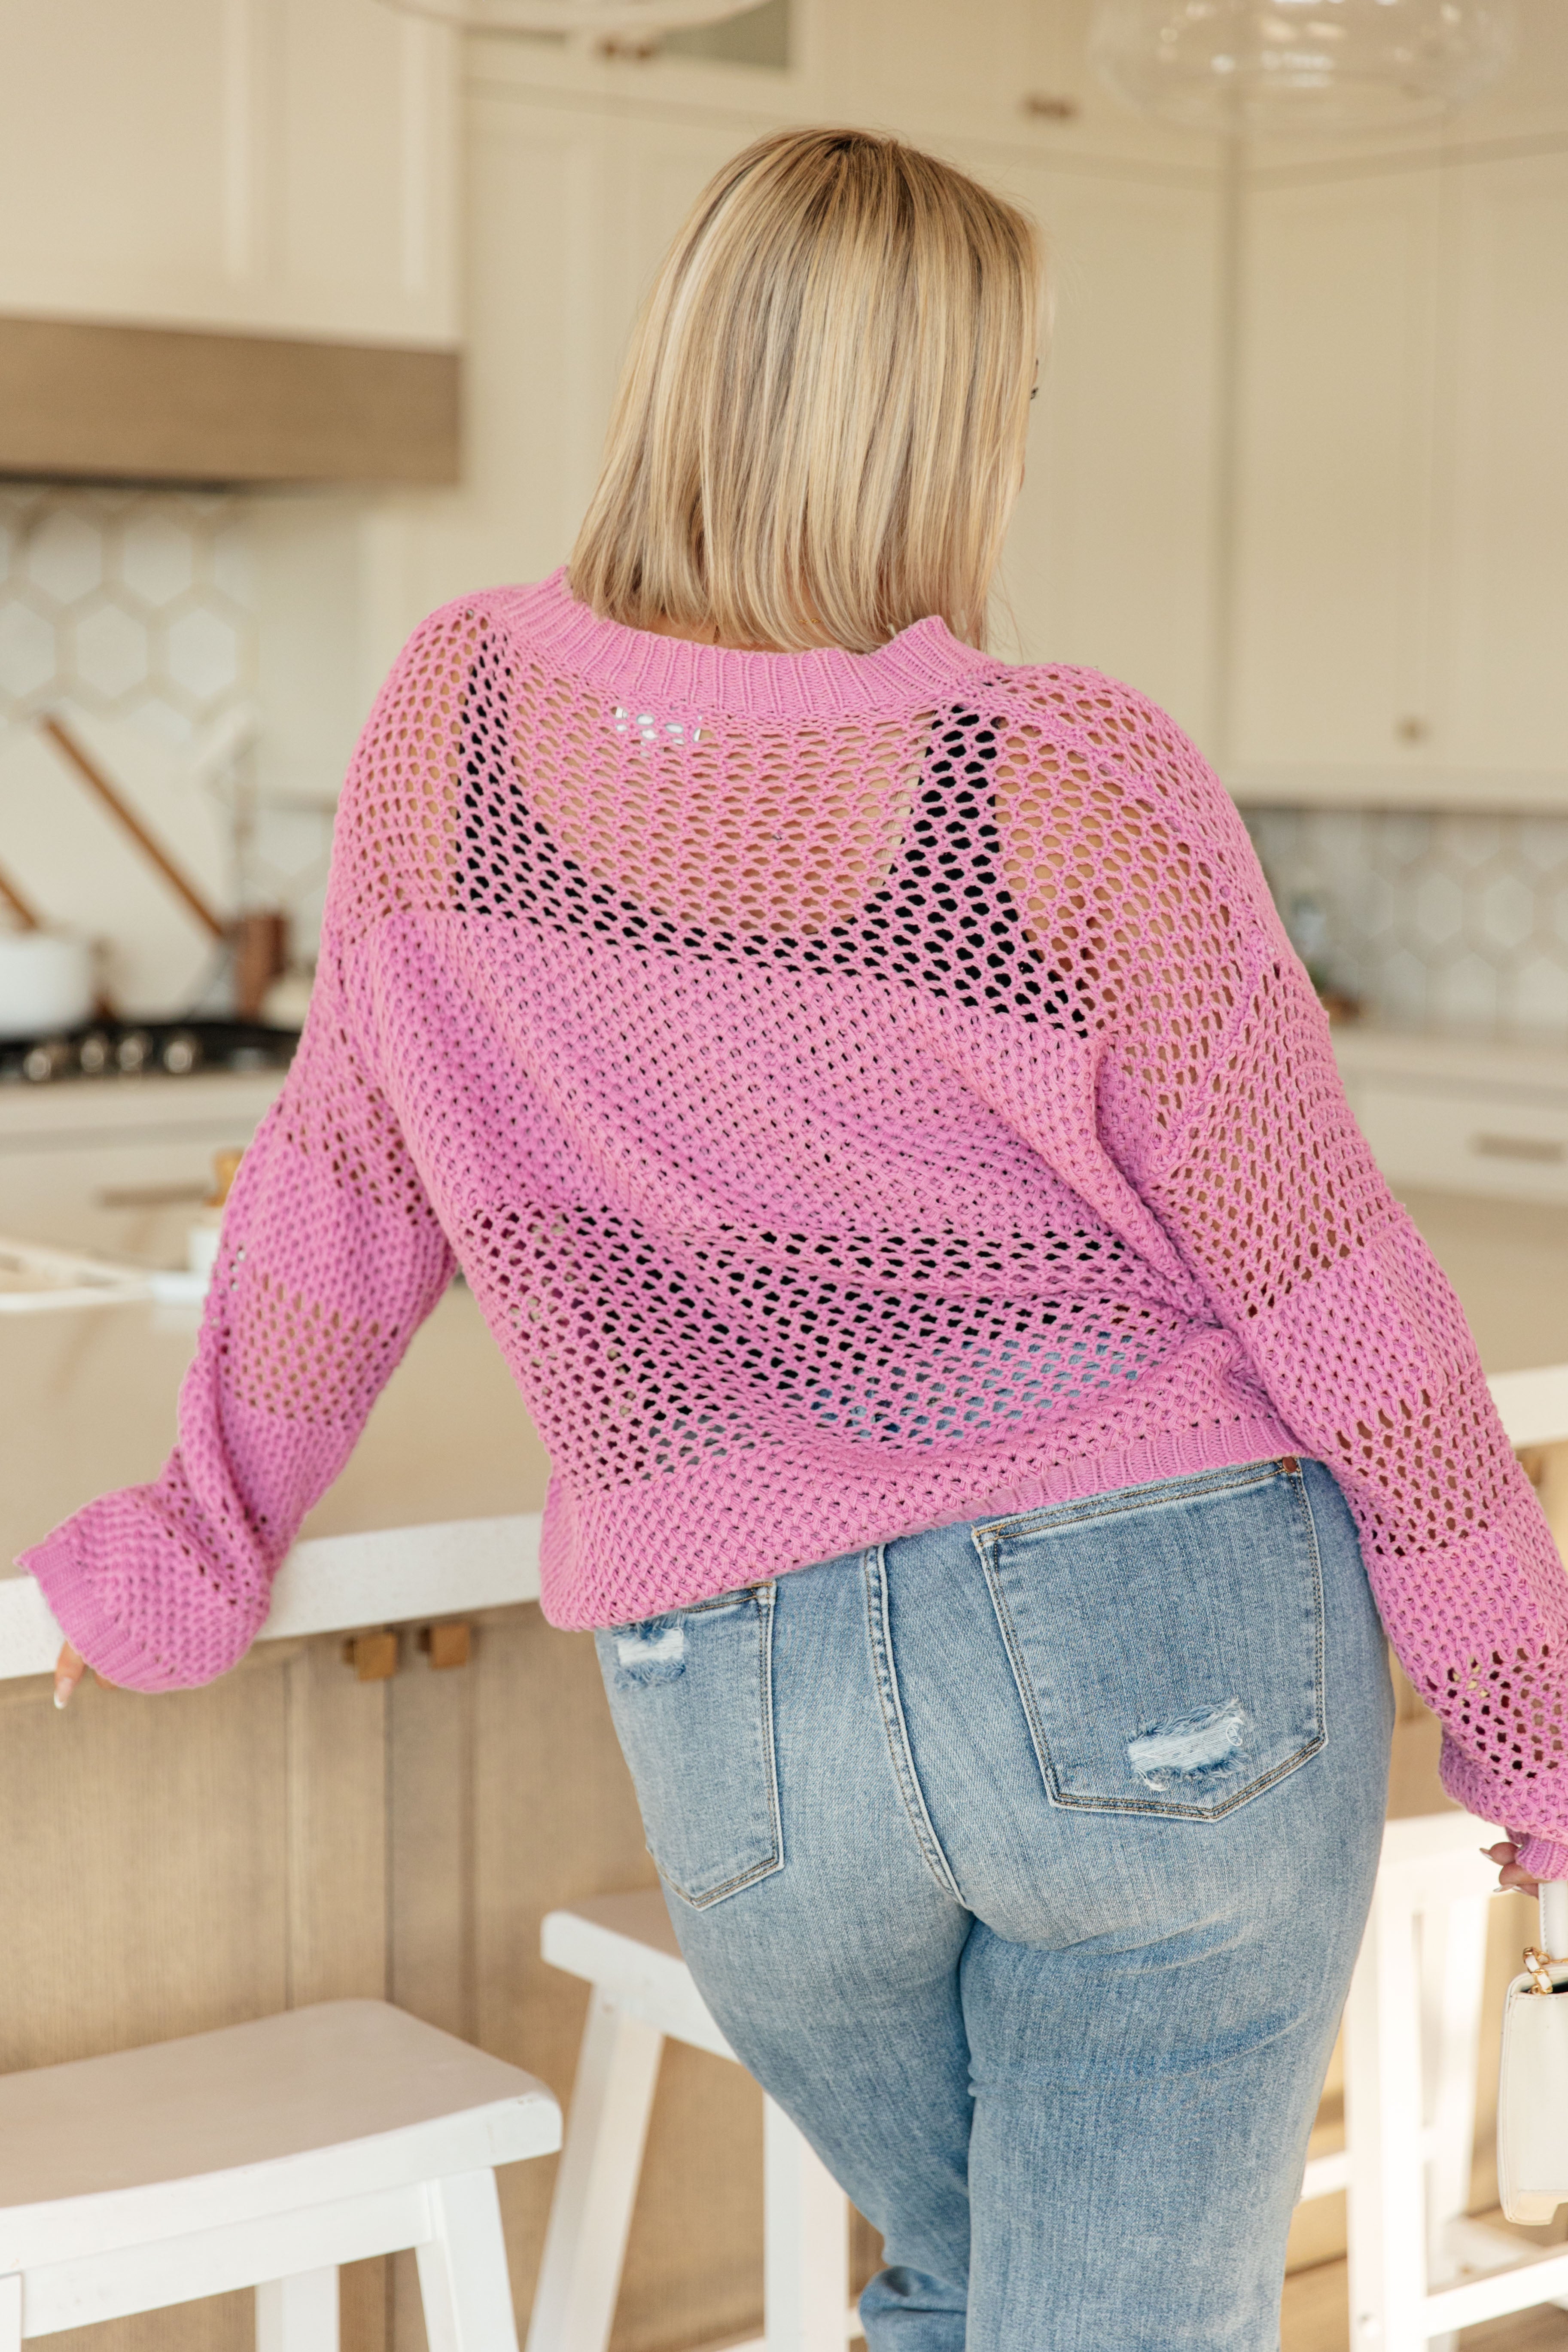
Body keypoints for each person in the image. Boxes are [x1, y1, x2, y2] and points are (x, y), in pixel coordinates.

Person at [30, 128, 1566, 2349]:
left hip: (743, 1716)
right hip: (1161, 1645)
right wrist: (1533, 1727)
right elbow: (1347, 1304)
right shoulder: (1073, 779)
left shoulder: (453, 722)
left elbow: (339, 1195)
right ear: (953, 426)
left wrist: (193, 1541)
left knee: (967, 2291)